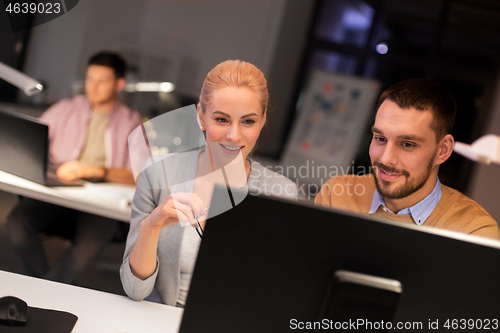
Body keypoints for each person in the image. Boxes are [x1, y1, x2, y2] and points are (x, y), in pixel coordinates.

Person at [120, 60, 298, 307]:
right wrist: (152, 224)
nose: (234, 136)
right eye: (222, 120)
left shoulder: (281, 194)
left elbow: (278, 292)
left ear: (263, 119)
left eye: (248, 121)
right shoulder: (158, 175)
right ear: (201, 116)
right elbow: (135, 289)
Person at [7, 51, 142, 283]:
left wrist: (97, 171)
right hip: (62, 190)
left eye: (102, 81)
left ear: (119, 84)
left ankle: (42, 292)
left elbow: (140, 175)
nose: (93, 86)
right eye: (90, 79)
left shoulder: (131, 121)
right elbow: (32, 140)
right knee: (18, 221)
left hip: (101, 202)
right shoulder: (68, 108)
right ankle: (44, 288)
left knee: (89, 242)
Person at [315, 78, 500, 239]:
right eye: (380, 139)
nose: (386, 159)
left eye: (407, 144)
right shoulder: (337, 196)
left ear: (442, 150)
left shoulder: (473, 232)